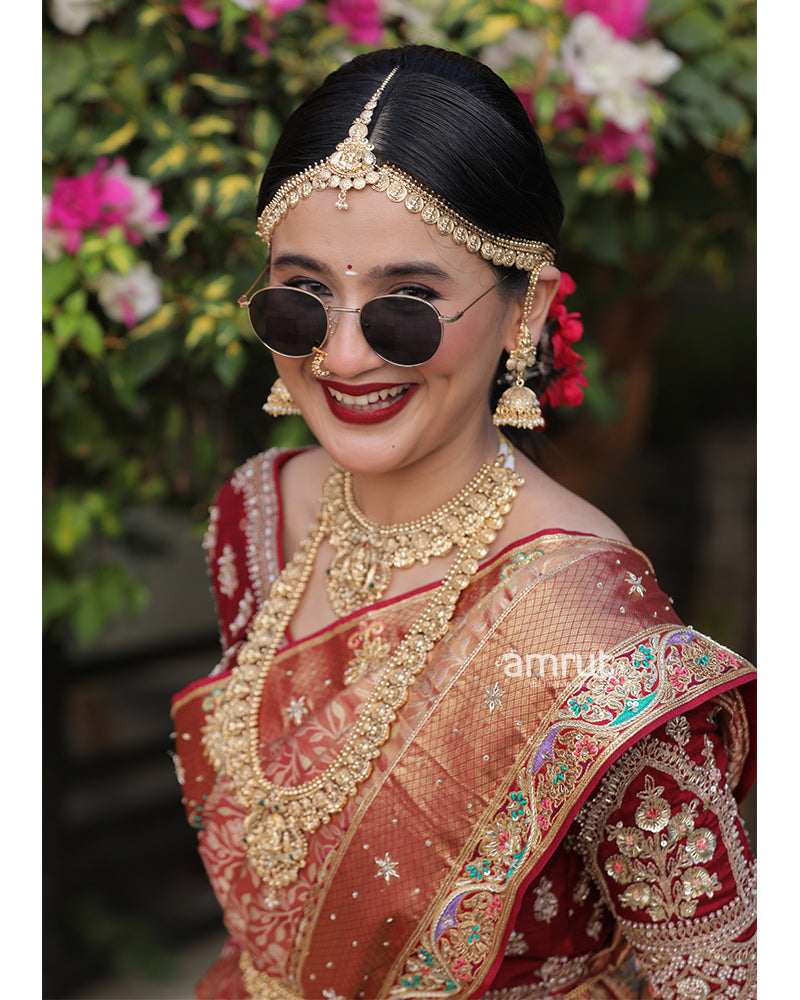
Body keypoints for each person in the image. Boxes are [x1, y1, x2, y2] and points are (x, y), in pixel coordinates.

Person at [171, 44, 756, 1000]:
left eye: (407, 305)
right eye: (302, 299)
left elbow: (722, 979)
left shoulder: (594, 642)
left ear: (526, 313)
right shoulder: (255, 518)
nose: (346, 356)